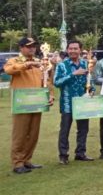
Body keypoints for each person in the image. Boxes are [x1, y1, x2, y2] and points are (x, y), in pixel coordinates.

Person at [4, 37, 54, 174]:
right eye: (28, 46)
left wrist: (50, 94)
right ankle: (17, 163)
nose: (32, 48)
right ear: (21, 48)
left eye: (34, 46)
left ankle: (26, 160)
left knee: (33, 134)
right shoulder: (14, 61)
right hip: (22, 104)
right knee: (20, 134)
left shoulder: (40, 62)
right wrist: (27, 64)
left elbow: (47, 80)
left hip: (37, 103)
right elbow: (8, 70)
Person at [54, 40, 96, 164]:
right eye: (70, 48)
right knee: (65, 130)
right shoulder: (62, 65)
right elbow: (57, 82)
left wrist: (92, 90)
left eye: (75, 48)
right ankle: (63, 155)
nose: (73, 51)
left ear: (80, 50)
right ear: (67, 50)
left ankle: (80, 153)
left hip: (83, 102)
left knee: (83, 129)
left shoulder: (85, 64)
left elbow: (90, 80)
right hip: (68, 103)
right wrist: (73, 74)